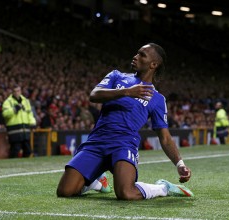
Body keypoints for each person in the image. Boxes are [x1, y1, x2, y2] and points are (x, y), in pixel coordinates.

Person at [56, 43, 193, 200]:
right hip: (97, 141)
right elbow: (94, 95)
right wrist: (126, 92)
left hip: (124, 144)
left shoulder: (157, 99)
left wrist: (180, 164)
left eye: (142, 55)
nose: (135, 57)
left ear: (153, 64)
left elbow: (165, 137)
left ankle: (163, 187)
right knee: (65, 191)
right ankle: (97, 183)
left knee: (126, 193)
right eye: (137, 53)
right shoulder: (116, 76)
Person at [2, 85, 36, 158]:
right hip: (14, 130)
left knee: (28, 150)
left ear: (20, 91)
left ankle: (24, 165)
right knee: (15, 150)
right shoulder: (8, 102)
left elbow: (30, 113)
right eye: (15, 91)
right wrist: (15, 109)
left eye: (18, 91)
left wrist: (32, 123)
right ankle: (11, 166)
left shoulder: (26, 101)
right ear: (12, 92)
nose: (16, 93)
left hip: (25, 129)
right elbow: (5, 114)